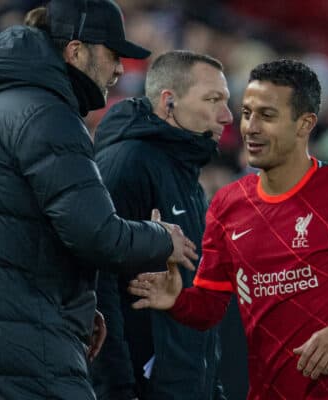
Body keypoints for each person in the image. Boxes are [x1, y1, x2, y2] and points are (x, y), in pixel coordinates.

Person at [0, 1, 198, 399]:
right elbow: (96, 234)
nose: (119, 69)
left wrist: (74, 307)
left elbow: (9, 239)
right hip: (18, 368)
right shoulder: (48, 115)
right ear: (76, 51)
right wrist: (162, 236)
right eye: (113, 55)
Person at [128, 59, 328, 400]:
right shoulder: (228, 204)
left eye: (267, 116)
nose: (250, 128)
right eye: (247, 113)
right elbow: (211, 307)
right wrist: (177, 300)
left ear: (305, 124)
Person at [91, 50, 233, 400]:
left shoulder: (186, 177)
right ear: (169, 101)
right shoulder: (128, 163)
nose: (227, 115)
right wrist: (118, 390)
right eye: (212, 100)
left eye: (226, 101)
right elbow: (97, 284)